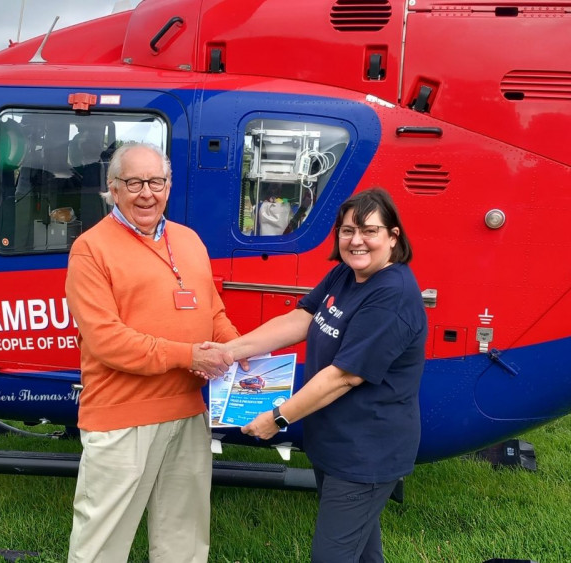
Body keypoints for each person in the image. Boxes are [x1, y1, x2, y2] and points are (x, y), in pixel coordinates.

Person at [214, 188, 427, 563]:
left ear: (393, 237)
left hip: (366, 453)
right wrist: (231, 351)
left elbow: (344, 377)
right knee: (362, 553)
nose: (356, 241)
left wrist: (277, 418)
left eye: (369, 231)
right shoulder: (346, 274)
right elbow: (301, 318)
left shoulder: (392, 295)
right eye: (347, 231)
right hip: (335, 443)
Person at [65, 142, 239, 562]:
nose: (147, 193)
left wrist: (235, 350)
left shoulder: (190, 239)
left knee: (185, 537)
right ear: (113, 188)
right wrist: (190, 357)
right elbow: (106, 340)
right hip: (122, 416)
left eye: (156, 181)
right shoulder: (90, 249)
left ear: (169, 185)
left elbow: (212, 309)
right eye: (134, 182)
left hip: (187, 412)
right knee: (101, 544)